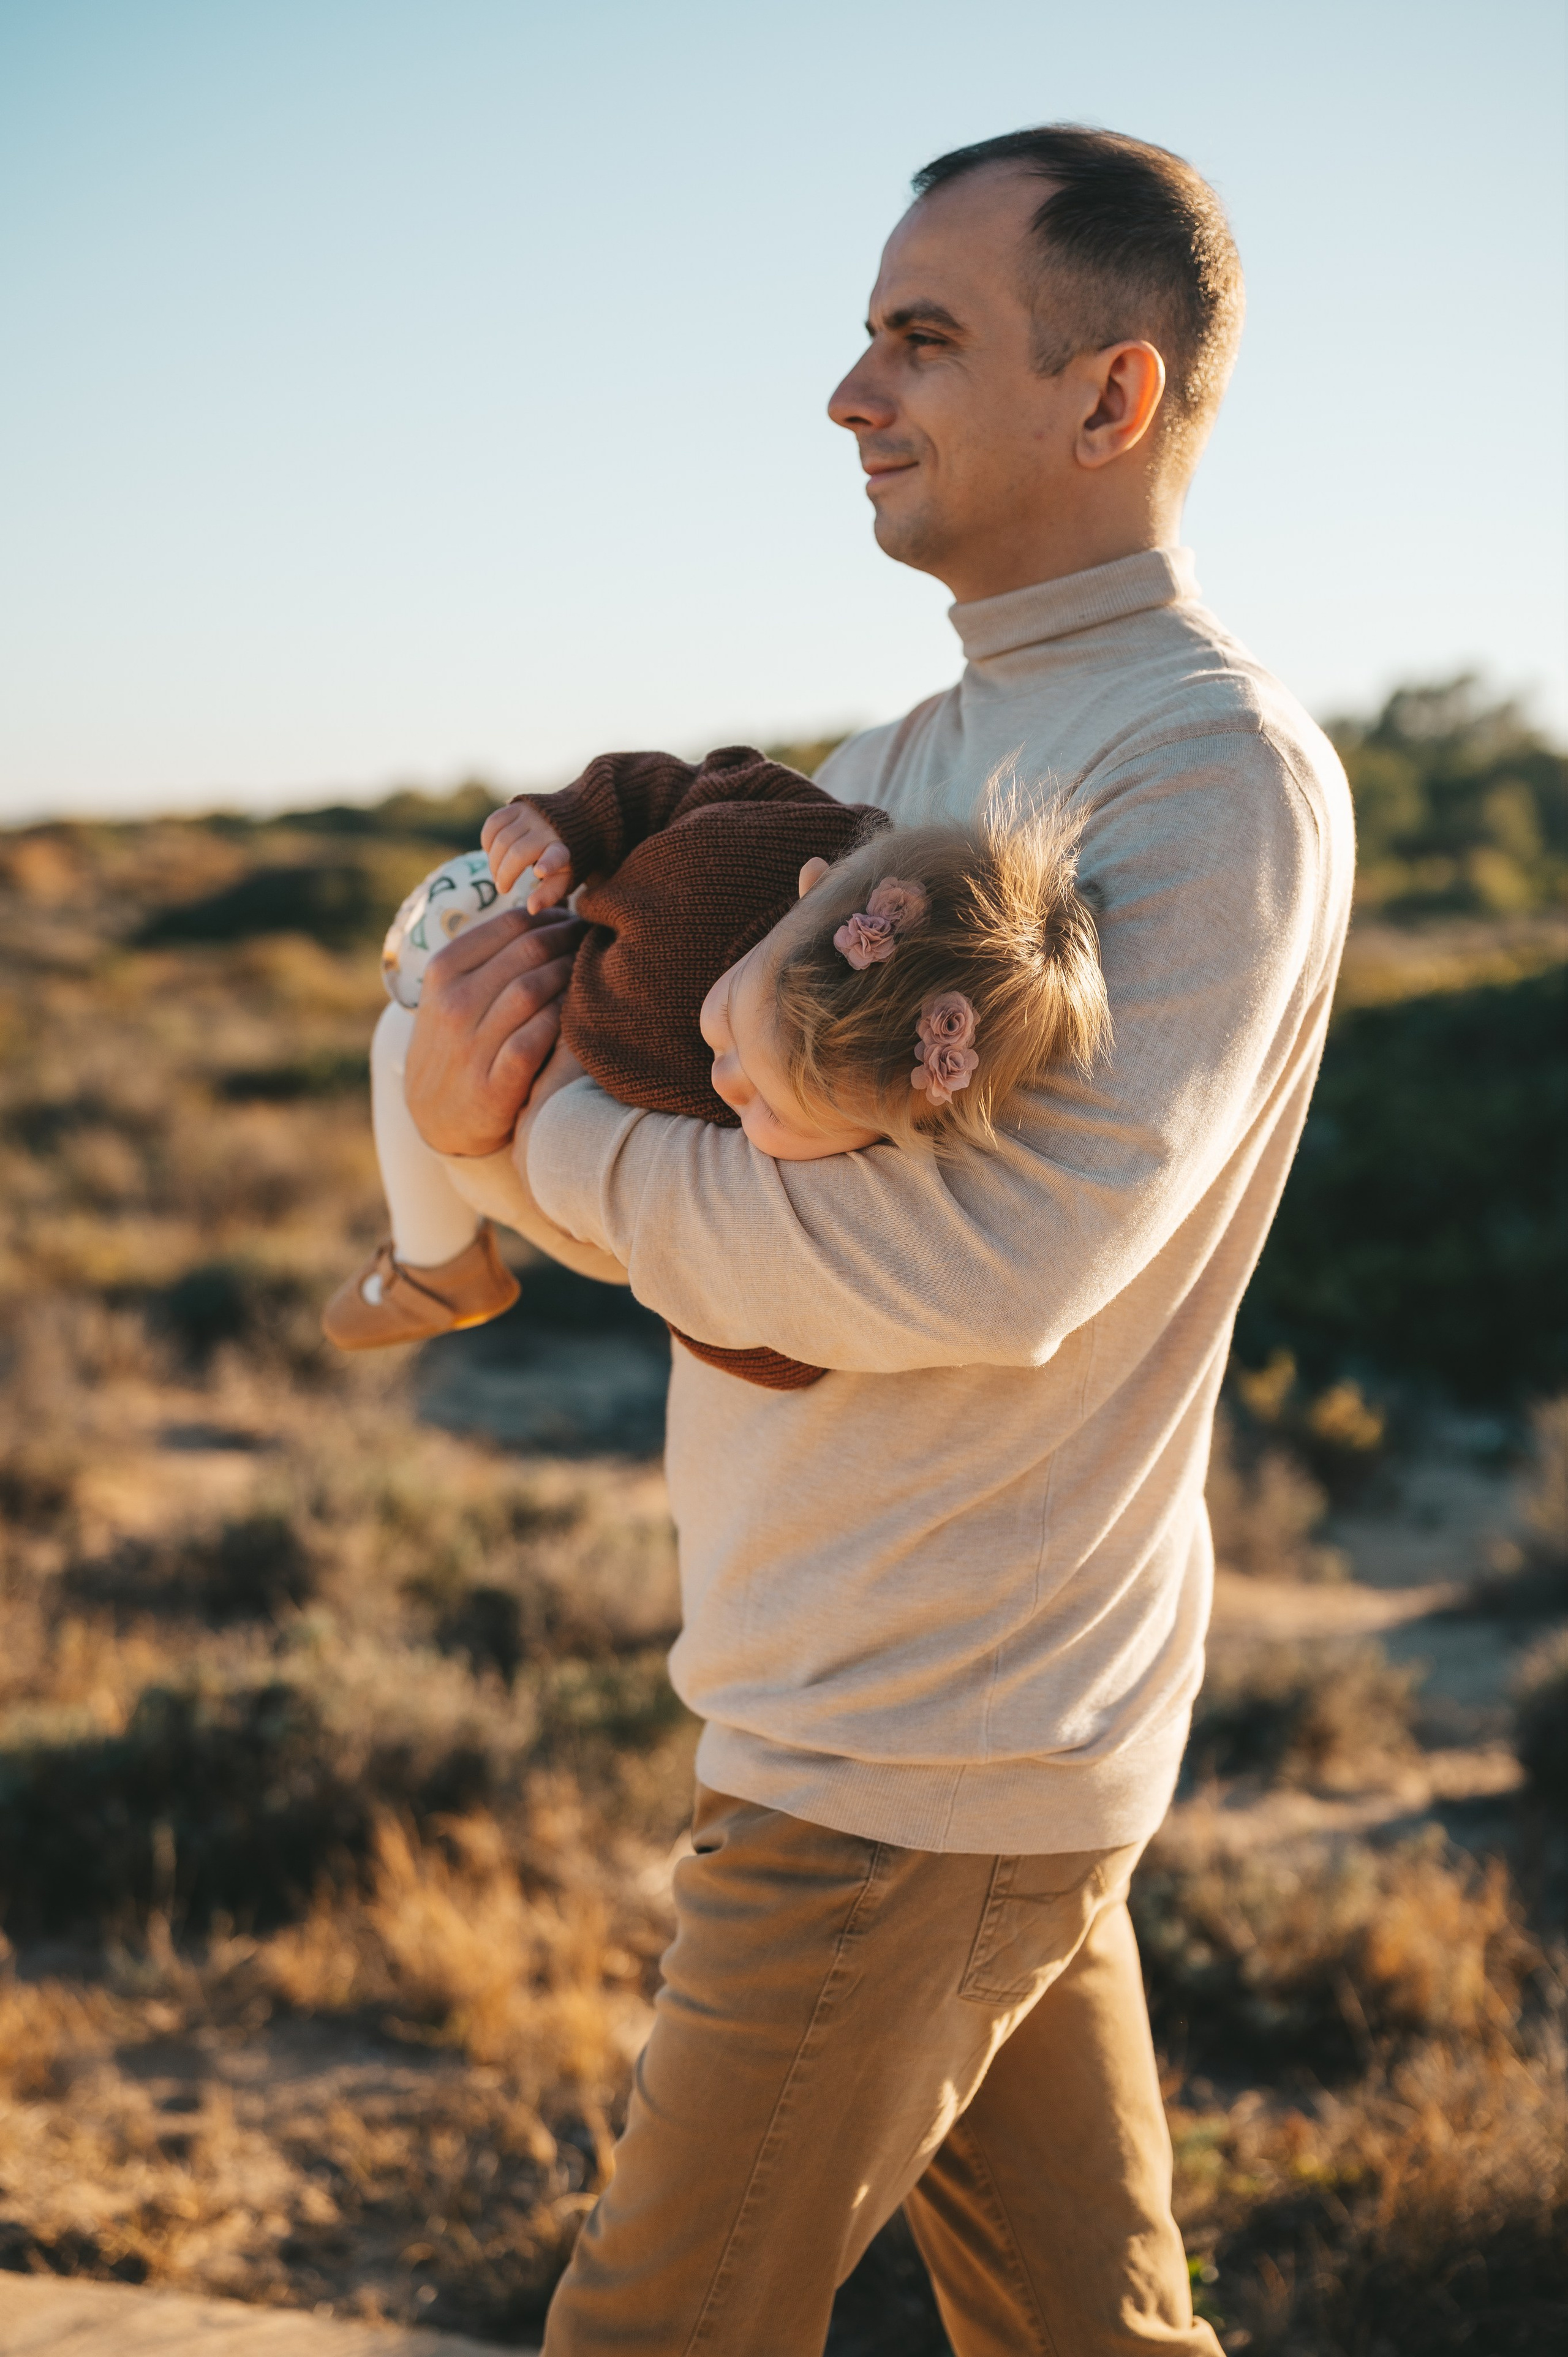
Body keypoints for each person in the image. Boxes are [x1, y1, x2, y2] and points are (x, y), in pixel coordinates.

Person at [404, 124, 1354, 2356]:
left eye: (917, 340)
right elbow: (730, 1150)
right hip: (899, 1711)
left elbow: (981, 1264)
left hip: (913, 1755)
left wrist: (512, 1149)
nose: (848, 391)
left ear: (1105, 397)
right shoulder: (911, 740)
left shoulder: (1196, 769)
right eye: (861, 337)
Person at [322, 749, 1107, 1391]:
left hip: (564, 1118)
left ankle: (436, 1265)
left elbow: (768, 1329)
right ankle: (431, 1254)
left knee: (409, 1056)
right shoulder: (750, 843)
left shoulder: (856, 1123)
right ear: (816, 883)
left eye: (776, 1111)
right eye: (734, 1022)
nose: (732, 1084)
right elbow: (673, 786)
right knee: (402, 1028)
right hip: (558, 944)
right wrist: (566, 822)